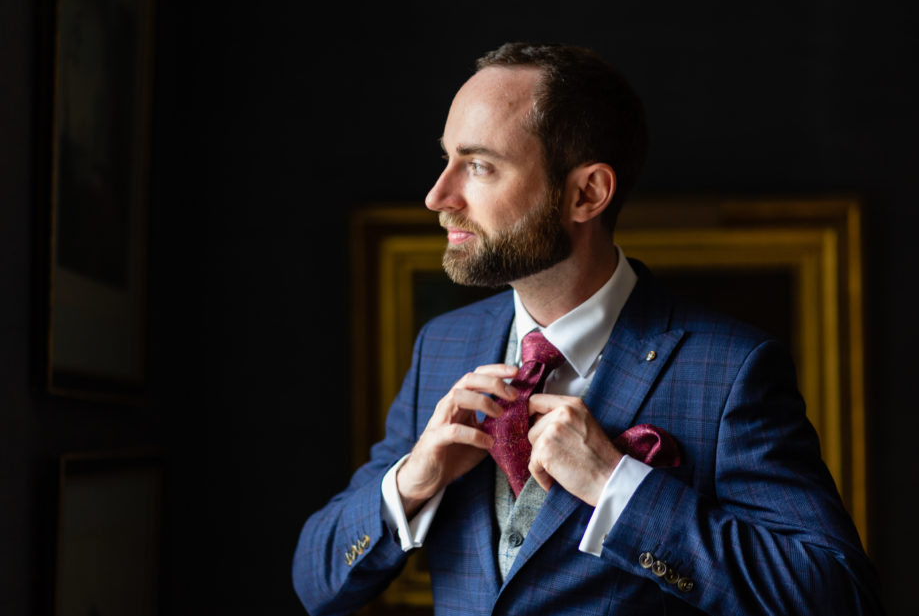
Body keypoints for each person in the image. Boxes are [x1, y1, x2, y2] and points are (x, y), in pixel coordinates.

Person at [292, 43, 884, 615]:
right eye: (445, 159)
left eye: (478, 165)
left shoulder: (732, 368)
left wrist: (620, 488)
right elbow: (316, 582)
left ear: (587, 193)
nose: (437, 196)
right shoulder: (443, 346)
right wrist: (409, 484)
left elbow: (834, 594)